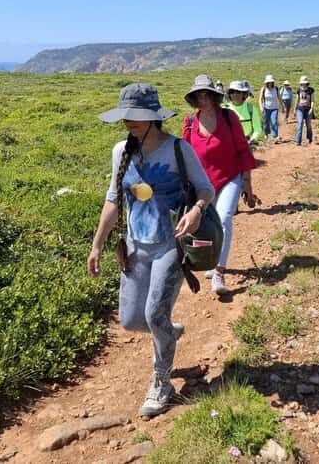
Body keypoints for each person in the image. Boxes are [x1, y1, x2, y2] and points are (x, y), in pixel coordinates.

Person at [87, 83, 214, 418]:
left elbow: (205, 188)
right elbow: (113, 200)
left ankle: (162, 383)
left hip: (170, 246)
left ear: (155, 118)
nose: (130, 121)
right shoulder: (121, 151)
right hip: (134, 247)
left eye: (137, 116)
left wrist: (196, 210)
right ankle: (168, 333)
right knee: (131, 321)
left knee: (154, 314)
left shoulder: (178, 149)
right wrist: (97, 245)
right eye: (126, 116)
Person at [182, 74, 258, 295]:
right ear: (194, 99)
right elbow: (184, 157)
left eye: (207, 95)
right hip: (202, 184)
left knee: (224, 218)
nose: (203, 100)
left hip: (229, 177)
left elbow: (243, 150)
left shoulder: (228, 118)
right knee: (206, 226)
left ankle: (218, 272)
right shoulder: (189, 123)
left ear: (215, 97)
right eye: (199, 96)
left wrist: (248, 185)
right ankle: (210, 259)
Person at [223, 80, 264, 145]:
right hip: (229, 144)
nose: (235, 94)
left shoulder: (251, 108)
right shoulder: (224, 108)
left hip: (247, 143)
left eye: (238, 92)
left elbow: (257, 129)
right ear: (229, 94)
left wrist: (252, 140)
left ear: (243, 94)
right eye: (232, 92)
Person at [258, 75, 284, 142]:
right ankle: (266, 134)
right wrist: (261, 107)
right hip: (266, 108)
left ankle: (275, 137)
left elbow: (279, 98)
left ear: (273, 82)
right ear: (266, 83)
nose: (270, 83)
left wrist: (282, 106)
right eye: (268, 82)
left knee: (274, 122)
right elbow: (260, 99)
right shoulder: (263, 89)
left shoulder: (276, 89)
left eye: (271, 82)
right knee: (266, 123)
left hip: (274, 108)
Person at [294, 76, 315, 146]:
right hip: (300, 108)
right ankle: (298, 141)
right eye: (302, 83)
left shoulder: (311, 90)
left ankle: (309, 138)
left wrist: (311, 108)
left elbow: (312, 100)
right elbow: (297, 100)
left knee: (308, 125)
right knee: (300, 123)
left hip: (308, 109)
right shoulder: (299, 90)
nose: (303, 84)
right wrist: (295, 109)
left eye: (304, 83)